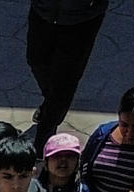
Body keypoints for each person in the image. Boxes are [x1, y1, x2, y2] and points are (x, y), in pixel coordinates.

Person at [27, 0, 109, 150]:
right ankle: (51, 105)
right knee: (36, 61)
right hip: (42, 10)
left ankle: (43, 140)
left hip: (81, 19)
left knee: (64, 81)